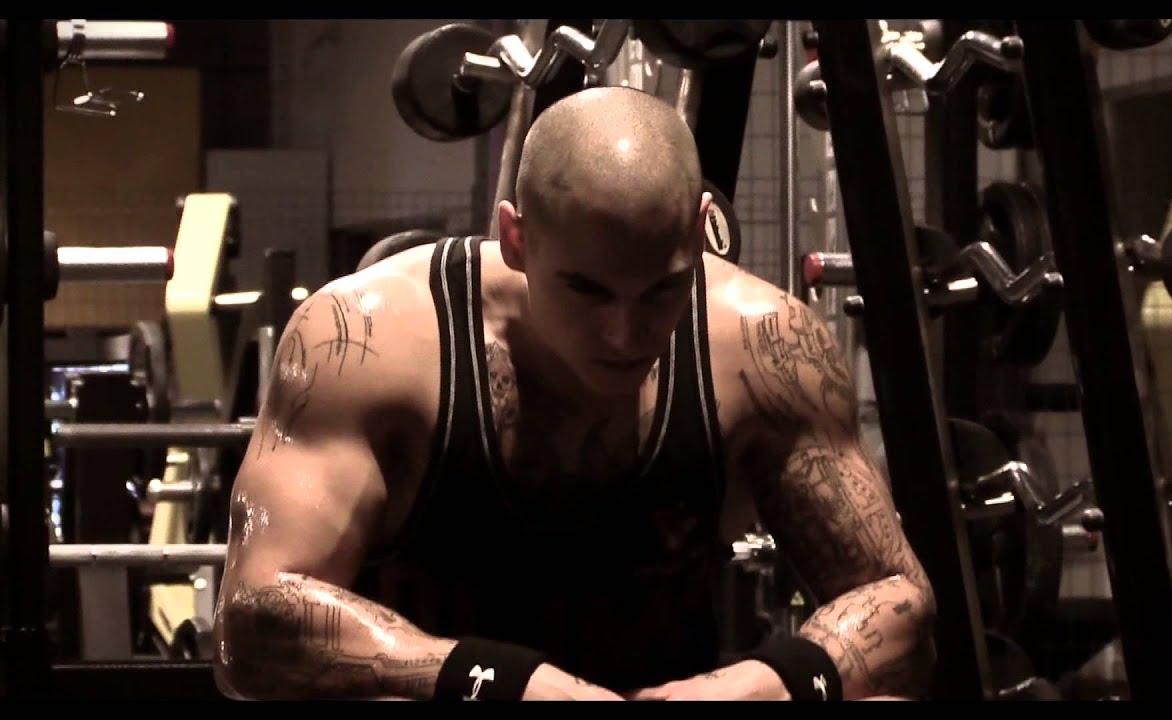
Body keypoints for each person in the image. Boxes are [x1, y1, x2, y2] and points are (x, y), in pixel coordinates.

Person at [211, 84, 936, 701]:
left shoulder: (764, 344)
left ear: (697, 234)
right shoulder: (365, 339)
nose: (625, 334)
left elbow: (901, 602)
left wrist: (768, 683)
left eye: (661, 290)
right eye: (588, 291)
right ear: (516, 239)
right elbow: (250, 620)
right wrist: (497, 683)